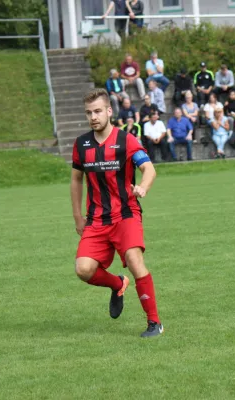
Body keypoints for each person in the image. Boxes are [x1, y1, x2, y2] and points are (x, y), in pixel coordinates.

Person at [71, 88, 163, 337]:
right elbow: (76, 180)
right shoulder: (82, 144)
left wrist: (142, 187)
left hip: (126, 214)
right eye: (89, 112)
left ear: (109, 111)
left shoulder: (126, 140)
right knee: (83, 270)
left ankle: (154, 323)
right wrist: (78, 216)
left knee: (135, 261)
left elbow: (149, 169)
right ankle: (118, 284)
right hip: (97, 219)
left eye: (98, 111)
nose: (93, 116)